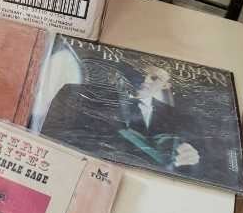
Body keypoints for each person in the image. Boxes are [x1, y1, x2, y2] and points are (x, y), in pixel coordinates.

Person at [41, 64, 201, 171]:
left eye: (155, 78)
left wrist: (191, 158)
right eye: (139, 73)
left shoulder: (177, 118)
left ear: (166, 85)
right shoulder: (76, 95)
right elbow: (50, 139)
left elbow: (195, 167)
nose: (144, 80)